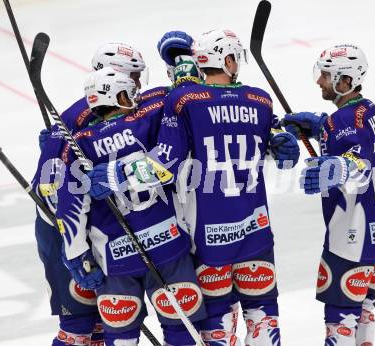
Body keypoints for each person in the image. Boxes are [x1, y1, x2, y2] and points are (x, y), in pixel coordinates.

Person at [115, 29, 299, 346]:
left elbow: (163, 165)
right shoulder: (260, 100)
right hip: (256, 231)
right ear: (227, 61)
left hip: (208, 239)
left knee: (217, 323)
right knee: (263, 319)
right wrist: (284, 147)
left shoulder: (185, 100)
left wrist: (115, 172)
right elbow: (280, 153)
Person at [56, 67, 206, 346]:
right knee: (183, 335)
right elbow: (170, 161)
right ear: (120, 95)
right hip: (168, 248)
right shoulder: (149, 119)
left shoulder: (78, 144)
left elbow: (70, 205)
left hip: (114, 260)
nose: (136, 97)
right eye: (130, 92)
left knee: (121, 339)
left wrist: (76, 253)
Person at [282, 44, 375, 346]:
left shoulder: (344, 120)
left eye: (326, 75)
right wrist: (322, 127)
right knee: (364, 308)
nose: (319, 81)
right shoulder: (370, 110)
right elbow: (356, 138)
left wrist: (335, 166)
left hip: (354, 236)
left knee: (340, 319)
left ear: (346, 81)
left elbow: (359, 165)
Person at [33, 42, 147, 346]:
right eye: (133, 77)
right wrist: (75, 250)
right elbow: (48, 189)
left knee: (100, 326)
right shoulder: (79, 116)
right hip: (63, 232)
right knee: (78, 327)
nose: (138, 86)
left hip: (91, 234)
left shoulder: (112, 112)